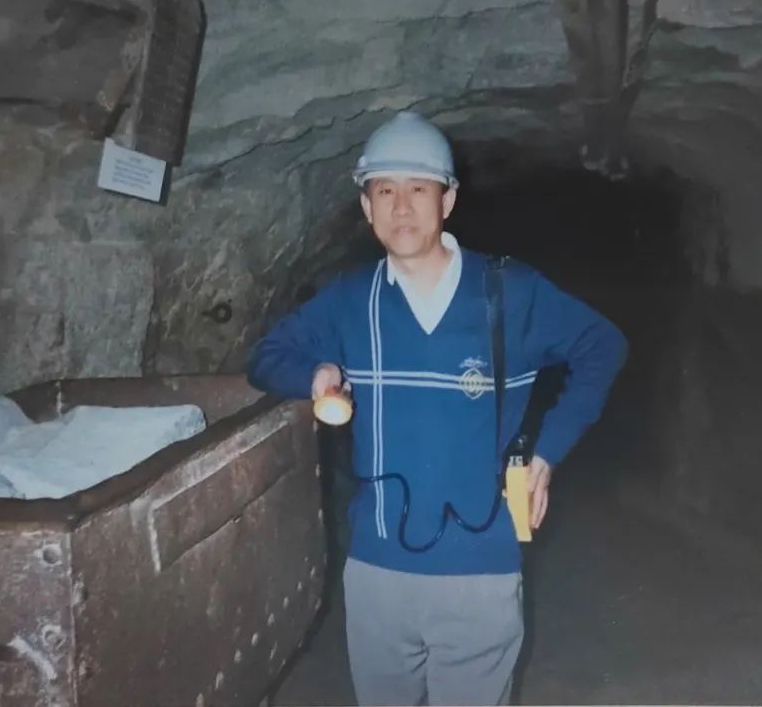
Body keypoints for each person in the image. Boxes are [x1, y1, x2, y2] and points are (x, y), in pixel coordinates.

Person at [247, 111, 627, 706]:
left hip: (481, 566)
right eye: (385, 191)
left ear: (447, 200)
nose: (401, 207)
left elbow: (601, 346)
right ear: (366, 207)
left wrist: (548, 453)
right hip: (377, 570)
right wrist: (313, 374)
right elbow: (266, 358)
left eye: (419, 189)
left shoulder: (510, 292)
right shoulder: (349, 299)